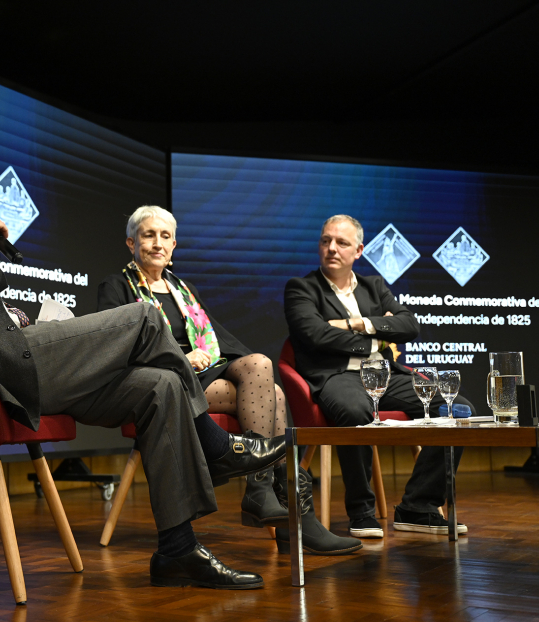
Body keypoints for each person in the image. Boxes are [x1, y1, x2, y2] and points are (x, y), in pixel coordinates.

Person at [0, 112, 287, 590]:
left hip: (13, 361)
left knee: (161, 386)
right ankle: (217, 445)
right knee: (144, 317)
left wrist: (17, 315)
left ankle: (177, 551)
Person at [98, 206, 361, 555]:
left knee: (267, 382)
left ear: (174, 245)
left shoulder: (183, 290)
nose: (157, 243)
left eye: (165, 237)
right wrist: (179, 357)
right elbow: (114, 347)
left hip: (203, 374)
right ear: (132, 242)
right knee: (273, 395)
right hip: (162, 383)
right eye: (148, 235)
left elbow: (220, 342)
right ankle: (288, 514)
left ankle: (267, 494)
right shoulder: (116, 287)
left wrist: (250, 373)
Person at [284, 214, 473, 539]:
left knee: (458, 409)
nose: (331, 248)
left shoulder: (374, 286)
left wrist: (357, 324)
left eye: (341, 243)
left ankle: (419, 505)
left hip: (386, 374)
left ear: (358, 250)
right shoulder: (301, 288)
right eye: (325, 240)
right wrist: (380, 332)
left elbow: (410, 326)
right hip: (337, 376)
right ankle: (361, 511)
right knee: (355, 412)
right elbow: (314, 336)